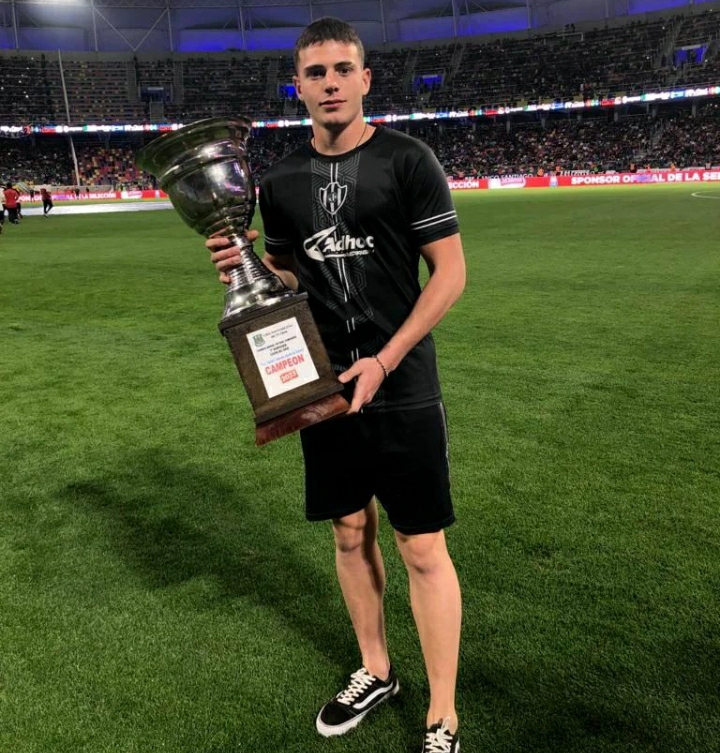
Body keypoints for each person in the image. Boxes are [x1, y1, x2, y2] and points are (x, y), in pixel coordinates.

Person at [207, 17, 465, 753]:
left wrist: (386, 358)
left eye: (342, 69)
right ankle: (376, 670)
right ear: (298, 86)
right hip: (320, 386)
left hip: (401, 381)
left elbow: (450, 274)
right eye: (314, 73)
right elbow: (291, 275)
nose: (329, 83)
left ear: (365, 79)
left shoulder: (407, 160)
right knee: (350, 532)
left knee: (421, 545)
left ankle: (442, 713)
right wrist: (245, 266)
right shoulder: (281, 181)